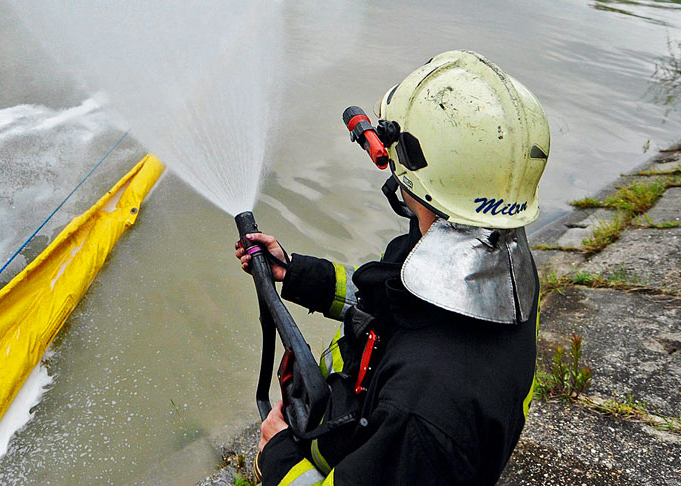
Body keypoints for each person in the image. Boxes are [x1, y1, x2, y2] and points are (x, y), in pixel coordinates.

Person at [234, 50, 550, 486]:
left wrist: (282, 456)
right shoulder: (499, 268)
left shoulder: (422, 413)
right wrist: (298, 273)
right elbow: (393, 302)